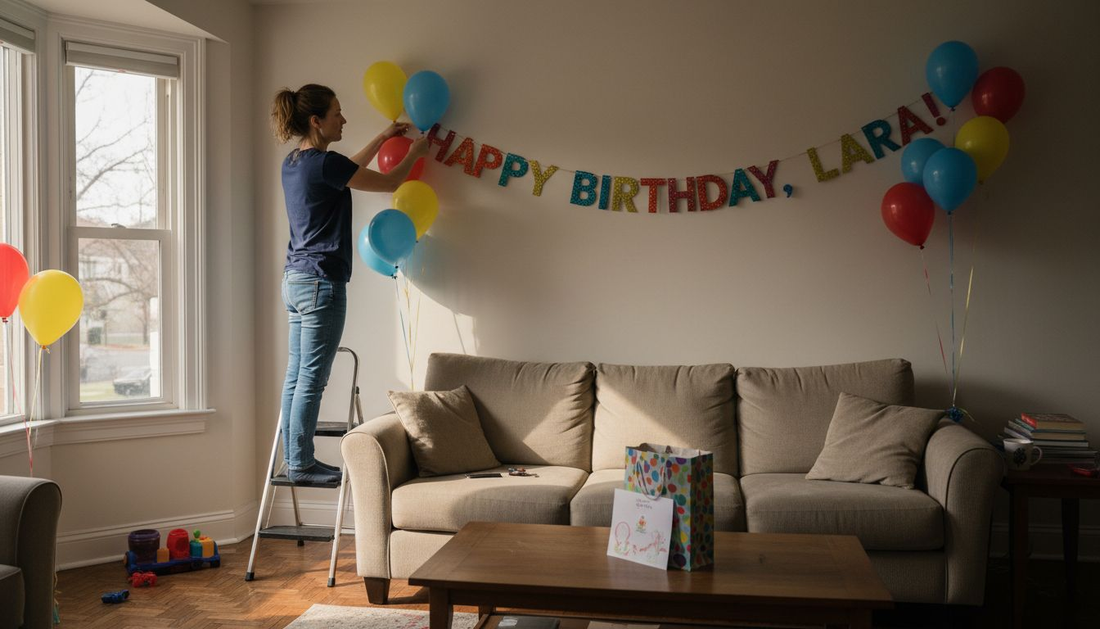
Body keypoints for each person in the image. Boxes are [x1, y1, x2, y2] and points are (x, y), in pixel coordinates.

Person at [270, 84, 429, 483]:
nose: (344, 119)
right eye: (337, 113)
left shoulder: (294, 162)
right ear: (316, 121)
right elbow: (390, 182)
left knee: (296, 375)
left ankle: (294, 458)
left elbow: (347, 172)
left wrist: (383, 137)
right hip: (322, 283)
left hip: (294, 280)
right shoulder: (327, 165)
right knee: (312, 377)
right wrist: (415, 154)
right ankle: (302, 464)